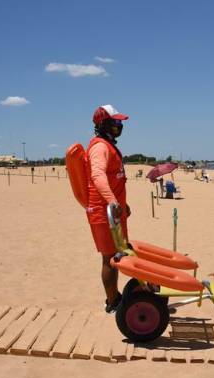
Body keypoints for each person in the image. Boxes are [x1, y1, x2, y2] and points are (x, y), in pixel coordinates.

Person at [86, 104, 130, 313]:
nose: (119, 126)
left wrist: (122, 203)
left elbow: (115, 178)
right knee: (109, 257)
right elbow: (98, 175)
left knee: (118, 254)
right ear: (103, 124)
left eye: (120, 122)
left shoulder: (108, 145)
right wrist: (112, 200)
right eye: (115, 122)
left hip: (113, 211)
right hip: (103, 211)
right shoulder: (100, 147)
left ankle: (116, 296)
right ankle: (112, 302)